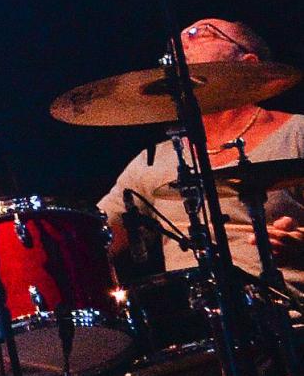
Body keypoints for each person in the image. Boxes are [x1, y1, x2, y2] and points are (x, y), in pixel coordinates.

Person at [100, 18, 304, 281]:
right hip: (194, 317)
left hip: (290, 314)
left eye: (200, 33)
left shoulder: (297, 132)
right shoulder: (152, 161)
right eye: (179, 37)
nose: (181, 42)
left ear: (248, 63)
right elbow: (95, 239)